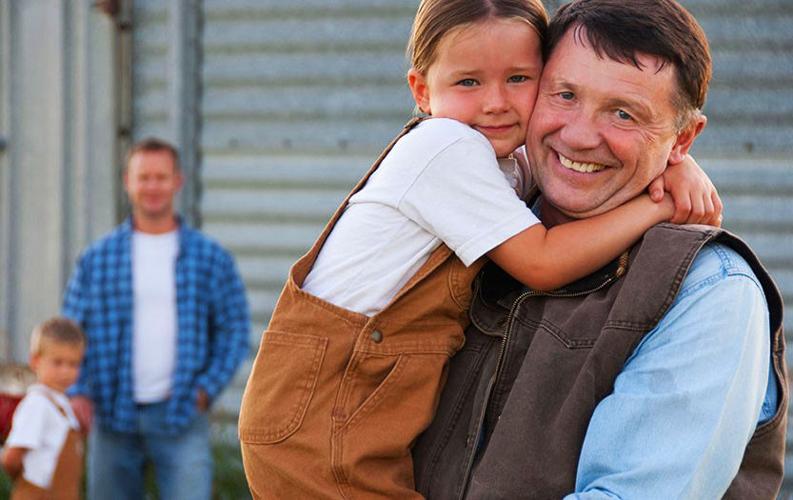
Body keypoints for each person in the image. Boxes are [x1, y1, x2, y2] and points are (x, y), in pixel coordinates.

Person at [238, 1, 722, 498]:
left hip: (357, 400)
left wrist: (670, 161)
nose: (496, 103)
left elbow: (574, 171)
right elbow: (542, 261)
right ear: (423, 91)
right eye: (469, 82)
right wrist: (657, 205)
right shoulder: (446, 147)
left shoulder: (502, 160)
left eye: (519, 79)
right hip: (324, 406)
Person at [412, 1, 787, 498]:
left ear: (684, 138)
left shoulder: (710, 291)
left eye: (624, 114)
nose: (580, 136)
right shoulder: (474, 216)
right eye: (564, 95)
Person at [62, 138, 250, 500]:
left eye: (161, 177)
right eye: (143, 177)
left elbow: (234, 329)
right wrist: (79, 391)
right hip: (111, 414)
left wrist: (204, 389)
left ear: (177, 181)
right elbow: (72, 329)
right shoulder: (97, 258)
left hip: (181, 413)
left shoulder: (209, 257)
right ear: (127, 181)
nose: (152, 186)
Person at [2, 317, 86, 500]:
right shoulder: (37, 404)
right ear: (35, 361)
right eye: (57, 362)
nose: (66, 371)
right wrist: (29, 485)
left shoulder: (62, 405)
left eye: (73, 364)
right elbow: (12, 457)